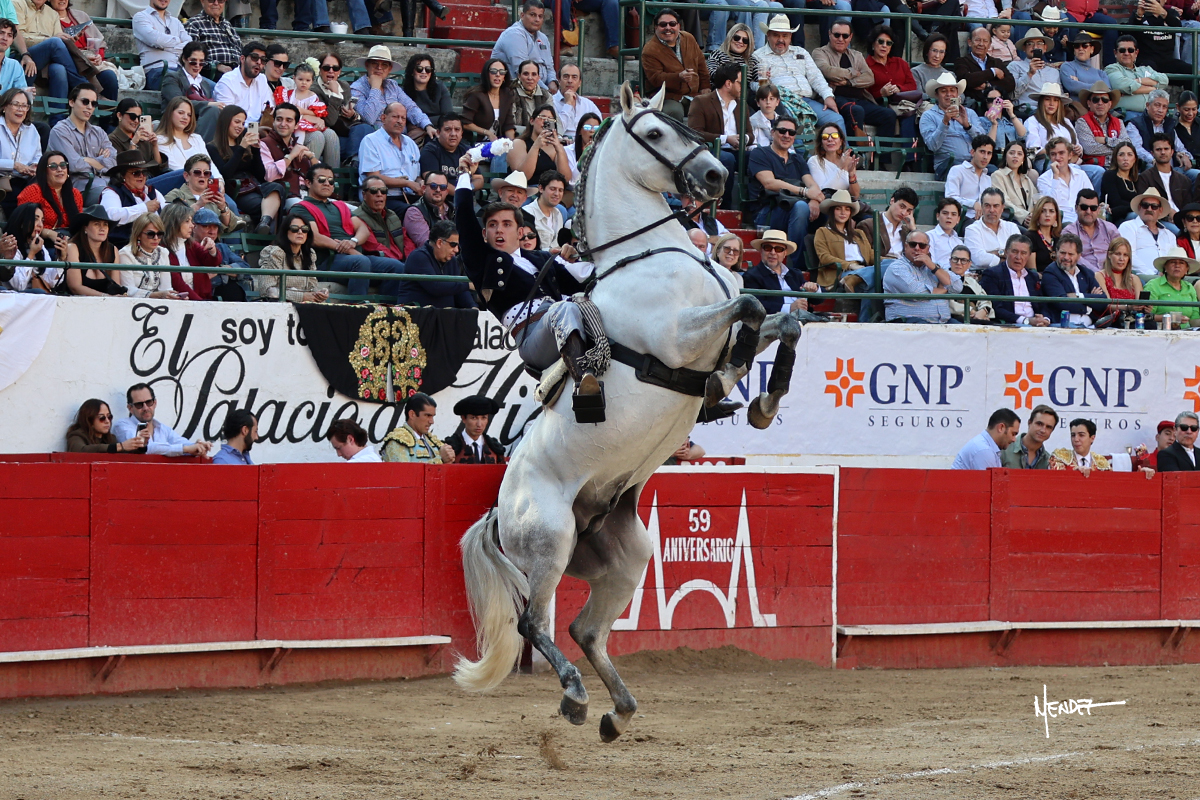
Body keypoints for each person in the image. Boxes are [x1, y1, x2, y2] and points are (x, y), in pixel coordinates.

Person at [455, 154, 599, 412]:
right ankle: (583, 382)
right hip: (531, 338)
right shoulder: (484, 262)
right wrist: (464, 175)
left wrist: (580, 255)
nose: (499, 230)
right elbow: (464, 219)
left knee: (588, 303)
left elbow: (584, 279)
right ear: (484, 234)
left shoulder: (541, 258)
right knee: (565, 307)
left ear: (520, 232)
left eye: (506, 224)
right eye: (492, 225)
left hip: (562, 326)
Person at [293, 162, 404, 297]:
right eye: (321, 179)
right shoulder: (301, 208)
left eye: (331, 180)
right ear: (308, 183)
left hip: (353, 257)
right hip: (327, 261)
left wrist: (353, 241)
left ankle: (388, 307)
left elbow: (363, 229)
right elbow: (313, 237)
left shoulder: (340, 206)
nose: (327, 183)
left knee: (396, 266)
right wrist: (348, 250)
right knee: (361, 262)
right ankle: (357, 306)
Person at [746, 117, 821, 271]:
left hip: (795, 209)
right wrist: (805, 192)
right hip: (767, 212)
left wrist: (815, 200)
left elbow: (813, 185)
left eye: (791, 132)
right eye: (782, 131)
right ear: (773, 132)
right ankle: (799, 267)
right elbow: (769, 183)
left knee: (832, 211)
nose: (787, 135)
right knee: (801, 207)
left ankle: (832, 269)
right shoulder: (760, 153)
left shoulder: (797, 159)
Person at [812, 20, 900, 144]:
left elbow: (869, 78)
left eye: (845, 36)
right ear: (829, 34)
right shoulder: (820, 52)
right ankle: (855, 153)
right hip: (834, 98)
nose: (841, 39)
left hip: (860, 99)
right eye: (837, 35)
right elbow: (828, 71)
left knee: (888, 115)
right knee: (856, 111)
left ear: (850, 37)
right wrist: (853, 72)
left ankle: (882, 156)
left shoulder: (857, 55)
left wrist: (848, 83)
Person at [753, 14, 841, 132]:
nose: (781, 40)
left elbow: (816, 77)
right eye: (776, 35)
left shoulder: (801, 52)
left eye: (785, 36)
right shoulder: (758, 56)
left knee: (837, 119)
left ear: (790, 36)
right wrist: (764, 83)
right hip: (782, 102)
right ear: (768, 36)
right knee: (790, 124)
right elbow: (752, 84)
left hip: (807, 100)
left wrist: (827, 96)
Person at [208, 104, 285, 234]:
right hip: (237, 190)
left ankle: (264, 223)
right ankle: (267, 239)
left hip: (255, 185)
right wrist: (241, 148)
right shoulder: (212, 147)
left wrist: (256, 150)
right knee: (266, 207)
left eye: (243, 123)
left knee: (278, 188)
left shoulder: (246, 145)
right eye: (237, 122)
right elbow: (225, 174)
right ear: (226, 121)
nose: (240, 126)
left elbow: (261, 175)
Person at [687, 62, 746, 207]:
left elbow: (749, 133)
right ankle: (725, 206)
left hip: (737, 149)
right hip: (711, 149)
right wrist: (726, 139)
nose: (743, 87)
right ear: (728, 84)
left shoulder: (741, 104)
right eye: (740, 83)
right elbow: (695, 132)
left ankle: (753, 207)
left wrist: (743, 139)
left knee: (759, 156)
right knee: (727, 159)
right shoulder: (701, 101)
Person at [14, 0, 94, 103]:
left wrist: (68, 39)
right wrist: (48, 40)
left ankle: (58, 113)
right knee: (54, 42)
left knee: (58, 69)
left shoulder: (52, 13)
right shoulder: (17, 4)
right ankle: (82, 86)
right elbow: (17, 37)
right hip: (21, 54)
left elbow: (59, 43)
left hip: (45, 62)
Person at [350, 45, 434, 139]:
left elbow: (410, 107)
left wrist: (427, 125)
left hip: (401, 137)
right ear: (367, 65)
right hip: (375, 138)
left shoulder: (392, 86)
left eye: (384, 65)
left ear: (389, 69)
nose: (379, 68)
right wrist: (375, 88)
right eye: (374, 63)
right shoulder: (357, 88)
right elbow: (369, 118)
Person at [47, 84, 114, 201]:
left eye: (93, 104)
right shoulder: (60, 131)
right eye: (85, 102)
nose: (89, 107)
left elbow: (113, 162)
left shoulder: (99, 132)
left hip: (106, 183)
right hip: (78, 188)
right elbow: (73, 165)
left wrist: (88, 160)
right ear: (72, 102)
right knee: (111, 197)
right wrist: (100, 161)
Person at [919, 73, 991, 180]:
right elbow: (932, 146)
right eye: (944, 91)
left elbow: (984, 143)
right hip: (948, 164)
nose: (949, 94)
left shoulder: (969, 113)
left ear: (957, 94)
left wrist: (967, 126)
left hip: (974, 162)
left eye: (952, 90)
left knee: (995, 172)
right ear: (937, 94)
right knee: (963, 172)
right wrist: (944, 122)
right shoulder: (928, 116)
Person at [882, 228, 962, 323]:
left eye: (922, 245)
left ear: (928, 249)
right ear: (906, 246)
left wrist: (934, 267)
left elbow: (957, 287)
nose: (917, 248)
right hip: (908, 321)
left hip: (943, 321)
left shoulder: (934, 266)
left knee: (967, 329)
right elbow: (917, 293)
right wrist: (944, 290)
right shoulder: (897, 267)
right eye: (913, 244)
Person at [114, 383, 211, 457]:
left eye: (149, 402)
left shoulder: (162, 428)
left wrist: (199, 446)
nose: (145, 408)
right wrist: (185, 449)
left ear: (155, 403)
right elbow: (147, 447)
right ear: (130, 408)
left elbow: (181, 442)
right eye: (139, 404)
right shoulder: (122, 426)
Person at [358, 101, 421, 215]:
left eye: (403, 118)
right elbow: (373, 177)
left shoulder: (410, 143)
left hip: (409, 196)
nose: (400, 121)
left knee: (437, 207)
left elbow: (416, 177)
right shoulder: (371, 141)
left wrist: (421, 183)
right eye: (395, 117)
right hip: (383, 196)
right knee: (412, 212)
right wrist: (406, 183)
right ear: (383, 118)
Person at [396, 218, 473, 308]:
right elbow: (435, 287)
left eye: (458, 245)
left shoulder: (451, 261)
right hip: (416, 313)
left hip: (443, 314)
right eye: (453, 245)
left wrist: (472, 307)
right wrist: (468, 285)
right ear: (439, 243)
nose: (456, 250)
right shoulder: (418, 257)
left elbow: (460, 292)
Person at [979, 233, 1052, 325]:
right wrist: (1026, 321)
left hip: (1036, 323)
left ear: (1029, 256)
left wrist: (1045, 319)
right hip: (1009, 325)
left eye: (1023, 253)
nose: (1018, 257)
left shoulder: (1033, 277)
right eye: (1014, 251)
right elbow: (996, 308)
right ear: (1006, 252)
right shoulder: (992, 274)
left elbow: (1043, 304)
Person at [49, 0, 116, 100]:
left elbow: (99, 41)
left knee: (109, 77)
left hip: (92, 61)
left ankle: (111, 109)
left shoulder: (81, 15)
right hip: (71, 62)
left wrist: (98, 56)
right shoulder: (47, 17)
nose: (62, 0)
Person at [254, 212, 327, 302]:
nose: (300, 232)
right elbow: (268, 291)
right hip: (279, 305)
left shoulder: (310, 254)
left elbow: (312, 287)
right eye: (294, 229)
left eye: (304, 229)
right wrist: (302, 296)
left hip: (303, 305)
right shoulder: (274, 252)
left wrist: (319, 294)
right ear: (285, 232)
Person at [275, 62, 338, 168]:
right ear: (294, 78)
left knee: (331, 134)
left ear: (312, 81)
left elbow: (317, 113)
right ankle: (308, 170)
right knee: (317, 136)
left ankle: (333, 172)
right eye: (300, 79)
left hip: (308, 124)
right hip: (293, 126)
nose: (304, 83)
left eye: (307, 80)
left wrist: (303, 111)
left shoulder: (312, 96)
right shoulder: (289, 94)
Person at [99, 150, 166, 248]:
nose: (141, 176)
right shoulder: (111, 192)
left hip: (156, 243)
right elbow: (111, 216)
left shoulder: (151, 191)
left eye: (144, 172)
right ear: (122, 175)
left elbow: (166, 211)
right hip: (124, 246)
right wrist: (144, 208)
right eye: (136, 173)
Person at [315, 52, 373, 163]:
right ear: (320, 70)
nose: (331, 71)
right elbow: (330, 121)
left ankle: (353, 161)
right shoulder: (314, 90)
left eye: (335, 68)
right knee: (359, 144)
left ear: (339, 71)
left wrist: (352, 115)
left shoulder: (344, 86)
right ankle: (353, 162)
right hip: (330, 135)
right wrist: (335, 94)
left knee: (365, 129)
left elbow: (350, 115)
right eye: (326, 68)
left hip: (347, 131)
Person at [164, 153, 238, 237]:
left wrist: (223, 208)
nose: (202, 176)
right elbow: (169, 221)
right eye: (197, 172)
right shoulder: (175, 194)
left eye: (206, 173)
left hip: (212, 242)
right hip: (186, 242)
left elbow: (231, 226)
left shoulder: (213, 197)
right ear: (186, 176)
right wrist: (198, 205)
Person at [743, 229, 816, 313]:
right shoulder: (751, 276)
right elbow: (755, 305)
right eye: (768, 248)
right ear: (761, 251)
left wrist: (814, 288)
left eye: (778, 249)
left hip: (803, 317)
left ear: (785, 253)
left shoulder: (795, 274)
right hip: (774, 320)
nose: (773, 252)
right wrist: (789, 308)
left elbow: (818, 300)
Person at [492, 0, 558, 92]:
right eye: (532, 15)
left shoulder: (543, 38)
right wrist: (547, 92)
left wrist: (553, 83)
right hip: (514, 89)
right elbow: (524, 72)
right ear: (522, 15)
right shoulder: (514, 34)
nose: (537, 20)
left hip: (539, 89)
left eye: (540, 16)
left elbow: (550, 67)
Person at [1042, 232, 1107, 326]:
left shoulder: (1086, 273)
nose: (1066, 257)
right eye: (1062, 253)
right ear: (1056, 252)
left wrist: (1079, 296)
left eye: (1070, 254)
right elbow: (1062, 302)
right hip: (1063, 326)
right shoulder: (1051, 272)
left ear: (1079, 256)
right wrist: (1089, 306)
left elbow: (1103, 302)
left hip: (1090, 326)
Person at [117, 211, 183, 299]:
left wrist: (175, 296)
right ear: (138, 235)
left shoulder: (163, 252)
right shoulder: (125, 254)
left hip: (159, 304)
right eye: (150, 234)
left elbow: (166, 287)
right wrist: (154, 295)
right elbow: (128, 290)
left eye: (159, 234)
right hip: (132, 304)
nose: (156, 238)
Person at [161, 202, 219, 300]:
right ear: (174, 223)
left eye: (191, 221)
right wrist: (199, 303)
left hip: (201, 300)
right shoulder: (162, 249)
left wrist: (212, 249)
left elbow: (212, 262)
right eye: (187, 221)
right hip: (180, 301)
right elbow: (177, 283)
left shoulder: (191, 244)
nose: (192, 225)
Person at [813, 189, 871, 289]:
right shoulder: (823, 232)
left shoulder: (858, 233)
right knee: (872, 276)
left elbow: (870, 254)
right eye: (838, 209)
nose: (843, 212)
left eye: (847, 209)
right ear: (832, 211)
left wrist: (891, 261)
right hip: (841, 272)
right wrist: (850, 265)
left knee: (887, 266)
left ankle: (852, 279)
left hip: (863, 269)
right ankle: (851, 279)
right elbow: (824, 257)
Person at [63, 204, 125, 296]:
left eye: (105, 224)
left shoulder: (112, 250)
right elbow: (75, 287)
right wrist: (105, 296)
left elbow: (116, 284)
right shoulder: (73, 248)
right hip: (76, 302)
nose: (102, 228)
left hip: (108, 303)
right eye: (97, 224)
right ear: (85, 228)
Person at [259, 102, 313, 204]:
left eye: (289, 120)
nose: (283, 124)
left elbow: (320, 174)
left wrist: (311, 157)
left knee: (345, 208)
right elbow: (269, 175)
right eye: (279, 119)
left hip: (310, 195)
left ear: (296, 125)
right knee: (305, 208)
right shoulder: (264, 144)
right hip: (287, 197)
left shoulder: (297, 145)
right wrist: (291, 156)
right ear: (273, 122)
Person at [1, 202, 62, 292]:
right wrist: (31, 255)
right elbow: (19, 285)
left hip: (34, 296)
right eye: (35, 219)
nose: (40, 225)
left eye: (42, 220)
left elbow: (51, 282)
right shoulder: (10, 244)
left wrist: (61, 258)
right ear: (22, 222)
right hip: (13, 296)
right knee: (39, 292)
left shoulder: (39, 246)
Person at [17, 149, 80, 237]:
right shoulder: (32, 191)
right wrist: (50, 234)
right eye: (53, 166)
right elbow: (26, 224)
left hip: (69, 240)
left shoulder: (76, 194)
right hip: (41, 240)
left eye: (63, 165)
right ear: (44, 172)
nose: (59, 169)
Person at [1118, 186, 1176, 279]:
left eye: (1154, 206)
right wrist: (1152, 274)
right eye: (1145, 205)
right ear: (1139, 207)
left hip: (1168, 278)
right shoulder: (1128, 227)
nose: (1149, 209)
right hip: (1139, 277)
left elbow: (1174, 259)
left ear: (1160, 210)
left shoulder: (1169, 234)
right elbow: (1128, 255)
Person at [132, 0, 191, 90]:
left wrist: (163, 45)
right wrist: (178, 41)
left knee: (211, 87)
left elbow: (189, 46)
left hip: (180, 70)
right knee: (182, 85)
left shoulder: (176, 21)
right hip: (155, 71)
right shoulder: (141, 17)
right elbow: (155, 40)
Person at [381, 392, 456, 463]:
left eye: (432, 416)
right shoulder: (397, 441)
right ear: (412, 414)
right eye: (427, 415)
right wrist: (440, 460)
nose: (431, 421)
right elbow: (404, 471)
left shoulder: (432, 440)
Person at [508, 104, 572, 186]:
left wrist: (559, 149)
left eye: (550, 119)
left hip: (550, 190)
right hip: (526, 189)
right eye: (542, 118)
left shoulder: (555, 148)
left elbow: (565, 178)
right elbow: (523, 176)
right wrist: (536, 147)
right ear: (532, 121)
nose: (546, 122)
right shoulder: (518, 143)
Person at [1127, 91, 1192, 171]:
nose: (1160, 110)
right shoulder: (1135, 124)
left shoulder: (1169, 124)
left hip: (1173, 170)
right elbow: (1136, 149)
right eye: (1157, 105)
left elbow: (1180, 147)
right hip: (1148, 169)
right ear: (1148, 106)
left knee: (1195, 174)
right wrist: (1153, 160)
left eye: (1164, 107)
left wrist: (1184, 156)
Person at [461, 58, 517, 150]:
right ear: (486, 74)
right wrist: (487, 132)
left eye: (502, 72)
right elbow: (465, 123)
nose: (498, 75)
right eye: (493, 71)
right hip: (475, 143)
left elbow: (508, 125)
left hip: (497, 144)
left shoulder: (507, 94)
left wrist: (512, 146)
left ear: (504, 77)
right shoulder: (476, 95)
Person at [953, 28, 1015, 109]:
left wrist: (987, 85)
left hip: (998, 108)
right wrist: (993, 72)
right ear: (969, 42)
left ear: (989, 44)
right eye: (977, 40)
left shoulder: (997, 62)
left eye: (985, 41)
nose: (981, 44)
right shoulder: (961, 61)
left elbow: (1010, 84)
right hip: (973, 108)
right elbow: (967, 81)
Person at [1106, 36, 1169, 116]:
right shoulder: (1111, 68)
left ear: (1136, 53)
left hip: (1151, 114)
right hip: (1126, 114)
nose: (1126, 53)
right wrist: (1153, 89)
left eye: (1131, 50)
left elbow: (1164, 80)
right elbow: (1123, 86)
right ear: (1115, 53)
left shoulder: (1145, 69)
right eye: (1122, 50)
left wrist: (1138, 81)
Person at [1076, 82, 1130, 174]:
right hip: (1096, 168)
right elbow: (1089, 149)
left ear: (1110, 104)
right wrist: (1118, 148)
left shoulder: (1119, 122)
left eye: (1105, 100)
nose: (1100, 103)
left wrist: (1105, 140)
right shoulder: (1082, 122)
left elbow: (1127, 144)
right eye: (1096, 100)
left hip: (1118, 166)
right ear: (1089, 103)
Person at [350, 174, 406, 262]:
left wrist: (411, 260)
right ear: (364, 195)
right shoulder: (358, 218)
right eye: (373, 191)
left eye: (383, 191)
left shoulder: (392, 215)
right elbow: (374, 247)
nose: (379, 194)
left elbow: (406, 240)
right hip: (383, 263)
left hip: (403, 262)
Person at [1135, 133, 1193, 217]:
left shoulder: (1184, 180)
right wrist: (1168, 212)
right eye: (1158, 149)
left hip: (1182, 219)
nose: (1163, 152)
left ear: (1172, 152)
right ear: (1152, 153)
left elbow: (1188, 206)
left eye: (1166, 149)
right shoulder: (1144, 178)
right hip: (1158, 218)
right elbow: (1145, 206)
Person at [213, 40, 272, 123]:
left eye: (263, 60)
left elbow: (268, 111)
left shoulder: (262, 79)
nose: (259, 62)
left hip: (257, 128)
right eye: (254, 57)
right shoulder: (227, 81)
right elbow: (228, 119)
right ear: (242, 59)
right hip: (235, 128)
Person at [109, 98, 167, 180]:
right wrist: (133, 144)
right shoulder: (111, 140)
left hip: (152, 179)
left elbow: (159, 167)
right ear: (120, 115)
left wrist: (154, 145)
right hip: (137, 181)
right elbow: (126, 171)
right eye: (132, 116)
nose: (136, 121)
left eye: (139, 117)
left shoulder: (143, 138)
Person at [1037, 137, 1091, 225]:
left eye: (1061, 153)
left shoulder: (1081, 174)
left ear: (1070, 155)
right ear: (1049, 157)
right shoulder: (1043, 179)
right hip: (1061, 222)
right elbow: (1051, 205)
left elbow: (1090, 198)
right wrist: (1056, 176)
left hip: (1083, 219)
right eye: (1053, 154)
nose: (1057, 157)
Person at [1062, 189, 1118, 274]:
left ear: (1098, 210)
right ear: (1076, 208)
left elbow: (1120, 253)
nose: (1088, 211)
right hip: (1083, 276)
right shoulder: (1069, 232)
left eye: (1093, 208)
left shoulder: (1110, 228)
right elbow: (1074, 258)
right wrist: (1099, 274)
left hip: (1111, 275)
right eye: (1084, 207)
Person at [0, 87, 38, 211]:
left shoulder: (31, 129)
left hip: (26, 179)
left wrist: (34, 166)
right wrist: (14, 165)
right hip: (3, 179)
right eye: (16, 104)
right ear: (4, 107)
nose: (20, 109)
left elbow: (38, 156)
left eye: (24, 106)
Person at [418, 113, 480, 190]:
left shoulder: (466, 150)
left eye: (457, 130)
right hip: (440, 195)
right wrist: (459, 193)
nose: (453, 134)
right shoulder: (430, 150)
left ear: (461, 133)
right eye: (448, 130)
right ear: (438, 133)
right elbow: (433, 180)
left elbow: (478, 179)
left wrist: (468, 188)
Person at [1130, 0, 1189, 77]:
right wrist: (1139, 16)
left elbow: (1178, 27)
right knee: (1148, 69)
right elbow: (1131, 35)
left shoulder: (1171, 13)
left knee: (1189, 70)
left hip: (1167, 60)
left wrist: (1163, 13)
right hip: (1146, 60)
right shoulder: (1138, 13)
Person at [65, 398, 148, 453]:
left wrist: (140, 445)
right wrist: (120, 446)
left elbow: (126, 456)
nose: (107, 421)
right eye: (102, 418)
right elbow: (80, 450)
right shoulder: (76, 436)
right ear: (89, 420)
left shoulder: (110, 438)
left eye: (109, 417)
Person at [1098, 236, 1150, 324]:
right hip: (1111, 321)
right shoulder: (1100, 276)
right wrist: (1128, 307)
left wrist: (1145, 307)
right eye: (1118, 254)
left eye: (1125, 255)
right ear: (1109, 255)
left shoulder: (1134, 279)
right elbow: (1106, 305)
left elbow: (1140, 305)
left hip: (1132, 321)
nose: (1121, 259)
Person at [965, 187, 1021, 268]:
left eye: (996, 206)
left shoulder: (1011, 227)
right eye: (987, 206)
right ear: (982, 207)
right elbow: (979, 259)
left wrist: (992, 253)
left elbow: (1019, 253)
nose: (991, 210)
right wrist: (1003, 255)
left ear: (1002, 208)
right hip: (985, 273)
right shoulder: (972, 229)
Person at [1144, 246, 1200, 327]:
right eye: (1173, 262)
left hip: (1188, 332)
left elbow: (1194, 318)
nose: (1177, 265)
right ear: (1165, 267)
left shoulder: (1189, 287)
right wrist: (1171, 318)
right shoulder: (1153, 285)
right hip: (1161, 331)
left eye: (1181, 263)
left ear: (1186, 269)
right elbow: (1147, 316)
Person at [806, 122, 859, 204]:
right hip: (826, 205)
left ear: (841, 141)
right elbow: (823, 192)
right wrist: (840, 168)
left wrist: (851, 174)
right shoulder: (814, 160)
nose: (830, 139)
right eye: (825, 137)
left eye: (835, 135)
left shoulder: (847, 159)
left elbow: (855, 195)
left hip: (846, 205)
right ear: (821, 143)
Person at [1023, 82, 1076, 165]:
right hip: (1046, 161)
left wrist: (1078, 149)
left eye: (1056, 100)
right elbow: (1033, 150)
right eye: (1047, 99)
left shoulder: (1066, 121)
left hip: (1072, 161)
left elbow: (1076, 144)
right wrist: (1058, 152)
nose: (1051, 103)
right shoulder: (1032, 121)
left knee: (1096, 170)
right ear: (1041, 102)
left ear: (1059, 104)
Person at [990, 141, 1040, 227]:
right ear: (1005, 156)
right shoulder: (998, 175)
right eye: (1011, 153)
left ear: (1023, 159)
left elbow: (1036, 200)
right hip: (1010, 221)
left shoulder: (1026, 179)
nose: (1015, 156)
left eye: (1019, 154)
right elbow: (1003, 202)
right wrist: (1025, 216)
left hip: (1030, 221)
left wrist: (1033, 217)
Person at [951, 408, 1022, 469]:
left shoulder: (985, 447)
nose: (1014, 439)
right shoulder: (984, 450)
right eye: (1013, 434)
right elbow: (990, 481)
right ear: (1001, 428)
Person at [444, 395, 507, 464]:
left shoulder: (495, 448)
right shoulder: (450, 447)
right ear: (464, 418)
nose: (479, 424)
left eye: (483, 418)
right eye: (474, 418)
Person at [183, 0, 241, 75]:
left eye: (220, 1)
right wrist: (217, 66)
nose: (216, 3)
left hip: (237, 71)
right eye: (211, 0)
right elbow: (191, 55)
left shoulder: (227, 24)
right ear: (202, 1)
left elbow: (240, 49)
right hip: (212, 72)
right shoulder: (194, 24)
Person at [946, 135, 994, 222]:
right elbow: (950, 198)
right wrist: (972, 203)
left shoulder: (988, 179)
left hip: (984, 220)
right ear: (972, 152)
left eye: (989, 153)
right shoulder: (957, 170)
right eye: (982, 152)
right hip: (962, 218)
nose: (985, 157)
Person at [1008, 29, 1059, 110]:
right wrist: (1029, 74)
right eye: (1030, 44)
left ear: (1045, 48)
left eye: (1039, 43)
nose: (1035, 47)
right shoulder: (1015, 66)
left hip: (1051, 111)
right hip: (1027, 110)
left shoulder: (1054, 71)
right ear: (1024, 48)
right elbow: (1011, 95)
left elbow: (1059, 96)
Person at [403, 53, 451, 133]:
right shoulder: (403, 92)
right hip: (416, 132)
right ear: (412, 71)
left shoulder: (440, 88)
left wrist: (423, 122)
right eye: (419, 68)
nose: (424, 72)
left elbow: (448, 116)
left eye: (428, 69)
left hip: (439, 129)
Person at [1000, 404, 1058, 469]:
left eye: (1048, 427)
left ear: (1052, 430)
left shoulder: (1049, 462)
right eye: (1039, 424)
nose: (1043, 430)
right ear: (1029, 423)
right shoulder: (1004, 450)